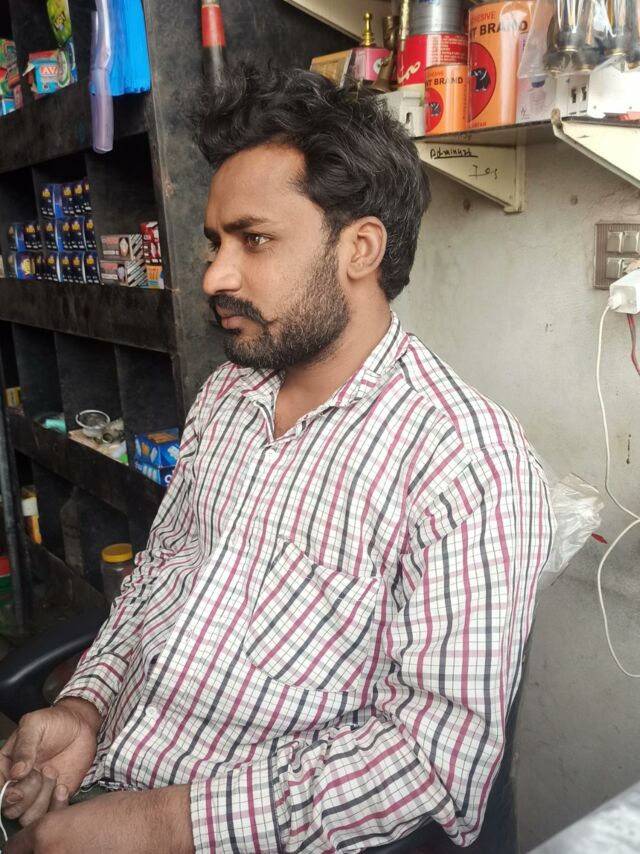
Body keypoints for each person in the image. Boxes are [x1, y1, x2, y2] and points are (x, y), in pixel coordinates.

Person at [0, 65, 554, 853]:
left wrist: (153, 826)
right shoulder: (230, 394)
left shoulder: (464, 462)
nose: (215, 275)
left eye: (253, 240)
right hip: (114, 772)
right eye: (215, 243)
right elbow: (160, 578)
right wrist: (86, 708)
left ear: (360, 248)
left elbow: (432, 762)